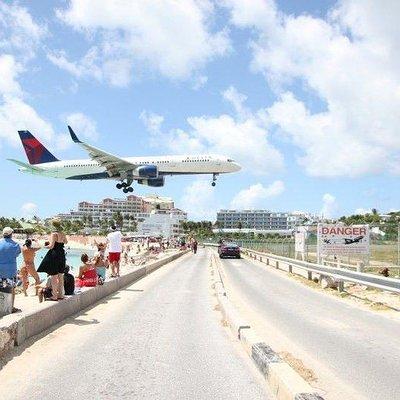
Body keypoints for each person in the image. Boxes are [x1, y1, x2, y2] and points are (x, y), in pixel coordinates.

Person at [37, 219, 68, 301]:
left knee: (54, 276)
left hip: (55, 255)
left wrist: (44, 246)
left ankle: (54, 295)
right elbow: (66, 242)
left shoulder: (54, 234)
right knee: (61, 275)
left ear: (53, 225)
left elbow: (51, 246)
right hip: (62, 255)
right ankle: (61, 294)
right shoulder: (63, 233)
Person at [0, 227, 22, 313]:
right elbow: (17, 254)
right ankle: (11, 307)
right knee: (11, 289)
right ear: (11, 234)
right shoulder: (15, 245)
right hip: (10, 271)